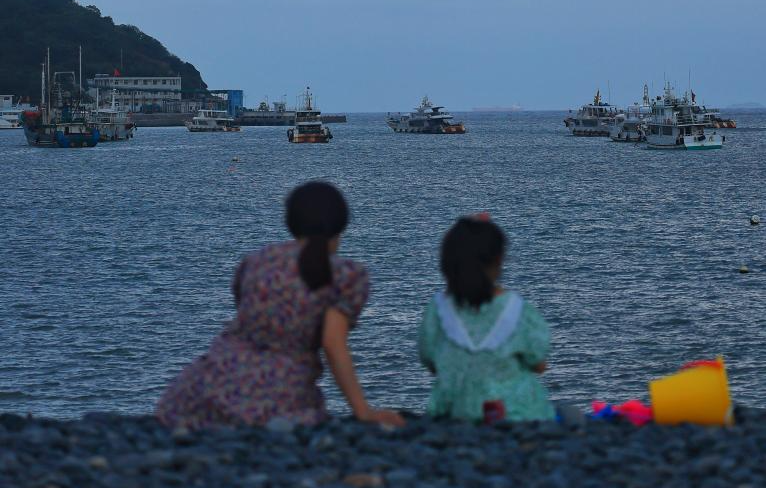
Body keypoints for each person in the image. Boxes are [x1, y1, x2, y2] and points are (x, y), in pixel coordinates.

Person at [157, 181, 404, 429]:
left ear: (290, 222)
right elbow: (333, 343)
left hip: (205, 384)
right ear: (341, 224)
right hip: (279, 392)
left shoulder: (255, 263)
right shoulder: (347, 275)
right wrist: (362, 410)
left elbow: (242, 312)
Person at [418, 216, 554, 422]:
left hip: (455, 412)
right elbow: (539, 365)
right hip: (518, 414)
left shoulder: (438, 310)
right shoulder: (517, 310)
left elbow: (431, 364)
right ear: (499, 260)